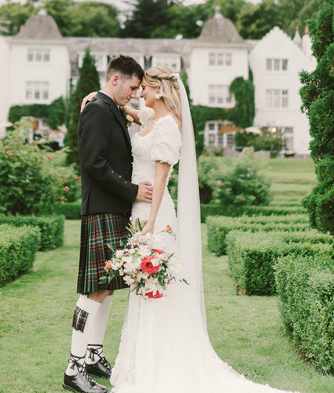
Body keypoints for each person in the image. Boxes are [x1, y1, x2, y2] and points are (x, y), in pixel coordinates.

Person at [97, 66, 298, 393]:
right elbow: (133, 112)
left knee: (157, 287)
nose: (140, 94)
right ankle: (141, 361)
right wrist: (103, 99)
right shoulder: (151, 118)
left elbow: (161, 179)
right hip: (139, 208)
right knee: (142, 288)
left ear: (159, 90)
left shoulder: (168, 127)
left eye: (145, 89)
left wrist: (150, 223)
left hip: (155, 213)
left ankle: (159, 364)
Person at [63, 55, 153, 393]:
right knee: (94, 290)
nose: (134, 94)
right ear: (115, 79)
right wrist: (133, 191)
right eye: (131, 87)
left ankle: (92, 356)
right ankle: (73, 367)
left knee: (109, 285)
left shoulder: (108, 106)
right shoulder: (97, 110)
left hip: (113, 211)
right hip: (102, 209)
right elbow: (93, 165)